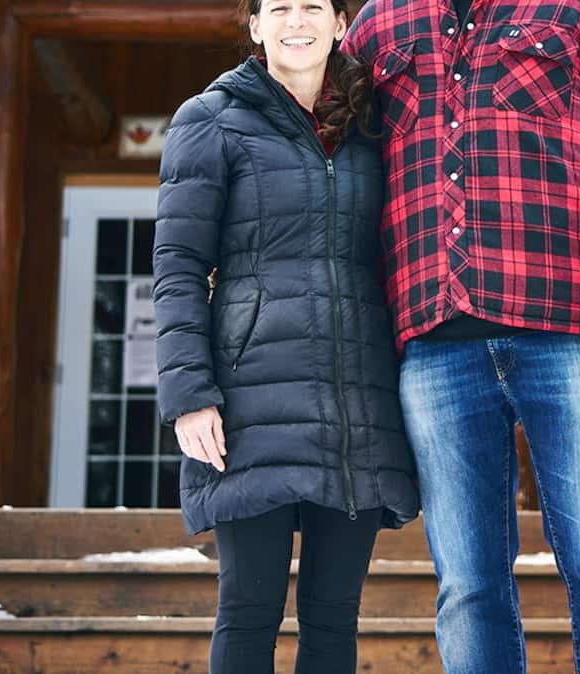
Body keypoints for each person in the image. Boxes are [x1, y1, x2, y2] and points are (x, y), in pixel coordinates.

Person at [343, 0, 580, 671]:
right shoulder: (379, 21)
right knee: (467, 586)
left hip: (572, 330)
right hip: (432, 339)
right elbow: (326, 154)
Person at [152, 0, 418, 671]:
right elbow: (178, 266)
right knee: (249, 610)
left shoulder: (375, 124)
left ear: (339, 24)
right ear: (255, 25)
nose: (296, 21)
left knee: (333, 617)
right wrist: (189, 395)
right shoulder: (210, 119)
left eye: (312, 7)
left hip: (357, 402)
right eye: (279, 8)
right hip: (251, 399)